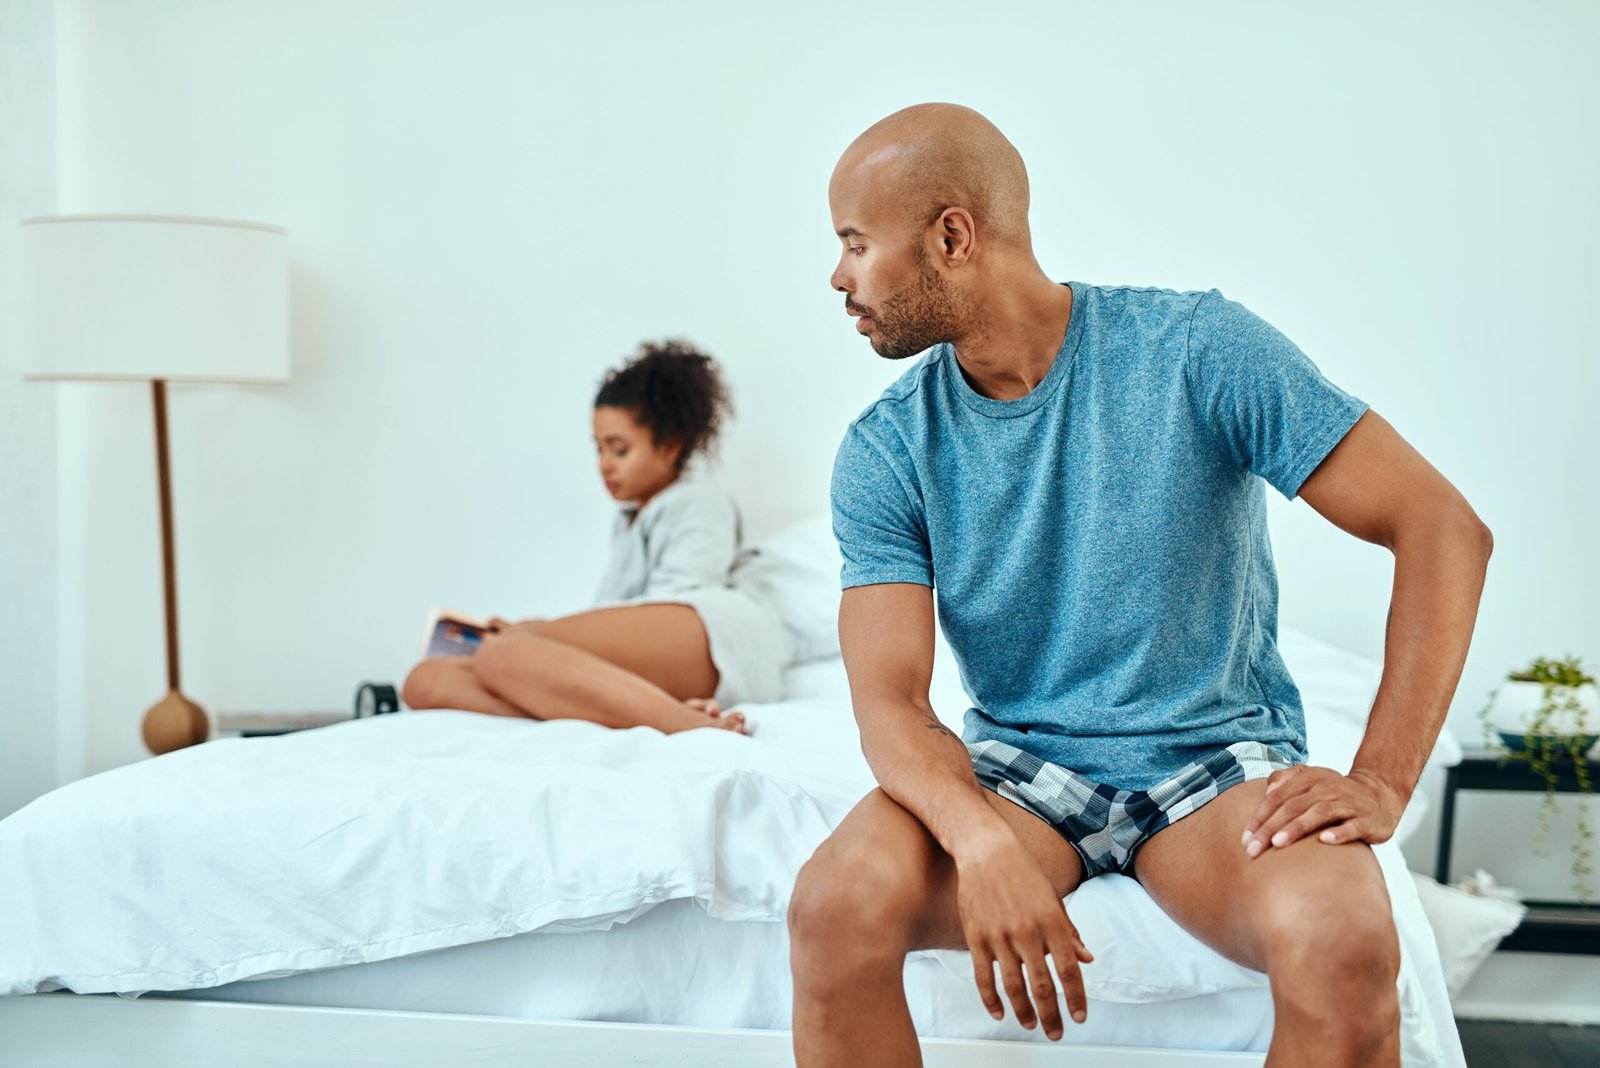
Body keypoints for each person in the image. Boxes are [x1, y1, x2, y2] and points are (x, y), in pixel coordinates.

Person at [787, 103, 1492, 1068]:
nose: (839, 276)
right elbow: (889, 704)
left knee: (1346, 942)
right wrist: (982, 845)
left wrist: (1381, 780)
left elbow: (1443, 527)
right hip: (1021, 778)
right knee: (832, 908)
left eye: (857, 244)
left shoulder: (1196, 349)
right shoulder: (886, 447)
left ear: (952, 236)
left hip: (1214, 763)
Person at [401, 340, 793, 735]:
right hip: (655, 656)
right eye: (599, 449)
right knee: (426, 680)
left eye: (619, 450)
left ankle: (683, 722)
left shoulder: (700, 501)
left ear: (670, 447)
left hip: (719, 639)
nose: (605, 464)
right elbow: (617, 617)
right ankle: (626, 708)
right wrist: (541, 633)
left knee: (502, 654)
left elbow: (682, 595)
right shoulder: (628, 520)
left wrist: (537, 636)